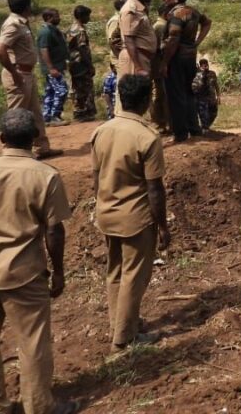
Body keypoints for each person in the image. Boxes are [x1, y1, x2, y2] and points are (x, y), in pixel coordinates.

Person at [0, 109, 78, 414]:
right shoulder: (46, 175)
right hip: (24, 273)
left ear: (1, 138)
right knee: (32, 343)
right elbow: (54, 230)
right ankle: (39, 405)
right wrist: (58, 272)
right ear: (34, 140)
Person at [90, 74, 170, 355]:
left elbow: (96, 176)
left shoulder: (102, 131)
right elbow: (155, 189)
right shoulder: (147, 137)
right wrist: (163, 226)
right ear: (147, 101)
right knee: (134, 276)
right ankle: (124, 339)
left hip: (106, 212)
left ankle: (122, 324)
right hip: (135, 218)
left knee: (115, 272)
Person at [0, 0, 61, 159]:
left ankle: (42, 148)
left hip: (26, 73)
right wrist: (14, 73)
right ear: (26, 7)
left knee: (35, 113)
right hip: (18, 74)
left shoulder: (21, 23)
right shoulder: (13, 24)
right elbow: (0, 51)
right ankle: (11, 152)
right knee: (16, 115)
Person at [161, 0, 212, 143]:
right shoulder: (194, 11)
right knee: (189, 94)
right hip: (190, 56)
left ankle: (181, 134)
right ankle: (194, 128)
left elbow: (174, 38)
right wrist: (196, 43)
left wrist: (164, 62)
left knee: (176, 95)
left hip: (176, 58)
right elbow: (207, 23)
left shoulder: (176, 14)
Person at [37, 8, 70, 126]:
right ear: (49, 18)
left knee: (50, 92)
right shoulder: (45, 32)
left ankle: (46, 117)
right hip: (53, 68)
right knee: (62, 90)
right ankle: (55, 115)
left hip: (58, 66)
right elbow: (44, 50)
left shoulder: (53, 30)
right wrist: (51, 68)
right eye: (56, 16)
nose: (59, 18)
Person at [118, 0, 157, 77]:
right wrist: (138, 67)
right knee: (134, 91)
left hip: (142, 57)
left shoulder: (141, 8)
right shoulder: (131, 10)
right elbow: (129, 39)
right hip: (134, 60)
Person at [67, 4, 98, 122]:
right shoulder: (80, 31)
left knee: (77, 88)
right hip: (81, 64)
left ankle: (79, 111)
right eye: (87, 16)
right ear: (82, 16)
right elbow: (82, 49)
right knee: (86, 88)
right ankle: (86, 112)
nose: (89, 19)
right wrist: (90, 65)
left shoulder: (71, 29)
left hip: (73, 64)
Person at [149, 5, 171, 135]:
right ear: (165, 13)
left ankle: (161, 122)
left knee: (160, 94)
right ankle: (161, 123)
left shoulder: (157, 25)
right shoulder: (161, 26)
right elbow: (161, 48)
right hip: (159, 66)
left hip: (157, 66)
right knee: (161, 95)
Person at [192, 58, 221, 131]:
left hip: (212, 97)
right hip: (202, 98)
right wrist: (202, 74)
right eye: (203, 65)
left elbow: (216, 85)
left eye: (206, 65)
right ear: (201, 66)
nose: (205, 67)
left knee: (214, 113)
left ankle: (206, 126)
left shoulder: (212, 73)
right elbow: (196, 87)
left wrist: (218, 96)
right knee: (204, 115)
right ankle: (205, 128)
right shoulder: (197, 74)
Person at [106, 0, 127, 65]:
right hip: (118, 59)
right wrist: (121, 60)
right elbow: (112, 42)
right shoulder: (115, 20)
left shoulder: (123, 18)